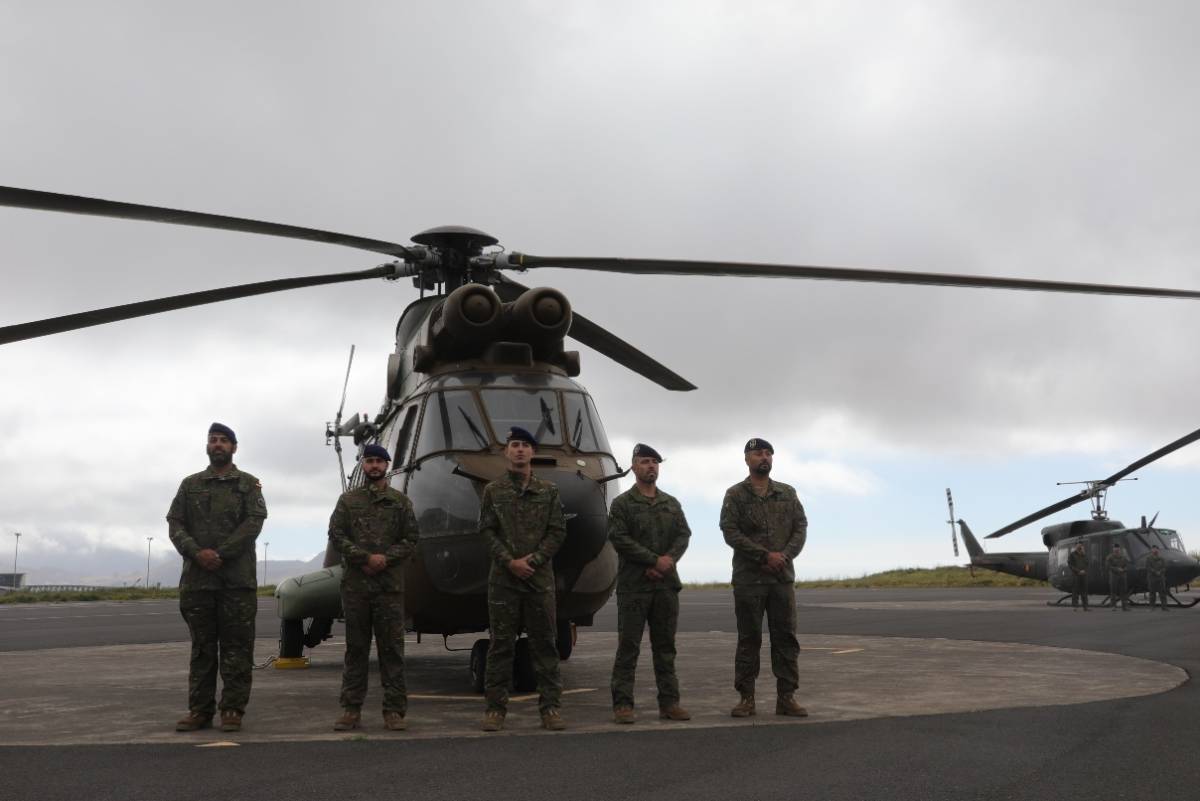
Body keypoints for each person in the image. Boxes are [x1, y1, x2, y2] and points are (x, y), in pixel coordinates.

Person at [167, 422, 267, 733]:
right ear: (207, 446)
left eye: (224, 440)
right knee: (202, 650)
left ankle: (233, 709)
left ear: (234, 447)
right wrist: (198, 553)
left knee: (237, 649)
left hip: (236, 583)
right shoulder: (190, 485)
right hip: (198, 583)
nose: (218, 444)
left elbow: (253, 523)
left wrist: (220, 553)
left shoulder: (248, 484)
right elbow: (175, 523)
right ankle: (199, 710)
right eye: (213, 440)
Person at [478, 427, 568, 732]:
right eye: (514, 444)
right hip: (504, 581)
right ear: (507, 451)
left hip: (538, 580)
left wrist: (534, 560)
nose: (519, 449)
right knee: (500, 646)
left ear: (532, 452)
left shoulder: (549, 491)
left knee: (545, 645)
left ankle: (551, 709)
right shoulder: (494, 491)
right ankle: (495, 710)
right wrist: (510, 562)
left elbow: (557, 531)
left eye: (525, 445)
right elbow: (486, 531)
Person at [328, 444, 420, 732]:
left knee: (392, 650)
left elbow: (411, 538)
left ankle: (394, 711)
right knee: (356, 649)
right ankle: (351, 709)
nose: (374, 466)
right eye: (369, 461)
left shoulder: (400, 502)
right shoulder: (347, 501)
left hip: (388, 588)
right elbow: (336, 534)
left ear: (387, 465)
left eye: (379, 461)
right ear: (363, 465)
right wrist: (364, 558)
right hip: (356, 588)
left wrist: (384, 559)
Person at [719, 438, 808, 718]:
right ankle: (746, 698)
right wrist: (763, 556)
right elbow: (730, 531)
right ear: (747, 459)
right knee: (749, 639)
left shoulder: (787, 493)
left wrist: (784, 556)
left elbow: (800, 527)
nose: (764, 457)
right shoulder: (735, 494)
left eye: (768, 453)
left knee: (786, 638)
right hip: (749, 580)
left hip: (781, 579)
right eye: (758, 453)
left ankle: (787, 697)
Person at [607, 443, 692, 724]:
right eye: (645, 461)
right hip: (634, 587)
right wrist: (654, 561)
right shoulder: (622, 504)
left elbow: (683, 535)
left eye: (655, 462)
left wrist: (668, 561)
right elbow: (619, 539)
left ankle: (669, 703)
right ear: (633, 467)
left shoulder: (671, 503)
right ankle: (623, 705)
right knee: (628, 647)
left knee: (665, 648)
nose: (651, 466)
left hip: (665, 586)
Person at [1105, 543, 1130, 611]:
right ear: (1113, 549)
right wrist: (1117, 569)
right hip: (1114, 576)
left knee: (1123, 591)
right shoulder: (1110, 557)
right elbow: (1108, 566)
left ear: (1119, 549)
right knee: (1113, 591)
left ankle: (1124, 606)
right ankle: (1113, 606)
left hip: (1122, 576)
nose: (1116, 549)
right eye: (1115, 548)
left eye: (1117, 548)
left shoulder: (1123, 557)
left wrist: (1123, 569)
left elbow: (1127, 565)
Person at [1146, 545, 1169, 611]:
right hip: (1152, 578)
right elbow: (1148, 567)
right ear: (1151, 550)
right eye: (1153, 549)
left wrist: (1160, 572)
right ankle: (1152, 607)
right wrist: (1155, 572)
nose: (1154, 550)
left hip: (1160, 578)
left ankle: (1164, 607)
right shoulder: (1148, 558)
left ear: (1158, 550)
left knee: (1162, 593)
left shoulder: (1162, 558)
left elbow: (1164, 567)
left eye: (1156, 549)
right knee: (1152, 593)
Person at [1068, 542, 1089, 611]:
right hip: (1076, 575)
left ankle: (1085, 607)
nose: (1080, 546)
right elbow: (1070, 565)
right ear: (1076, 546)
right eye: (1078, 544)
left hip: (1083, 575)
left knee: (1084, 591)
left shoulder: (1084, 554)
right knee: (1075, 591)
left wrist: (1084, 571)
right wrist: (1078, 571)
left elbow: (1087, 564)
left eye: (1081, 545)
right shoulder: (1072, 554)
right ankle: (1075, 606)